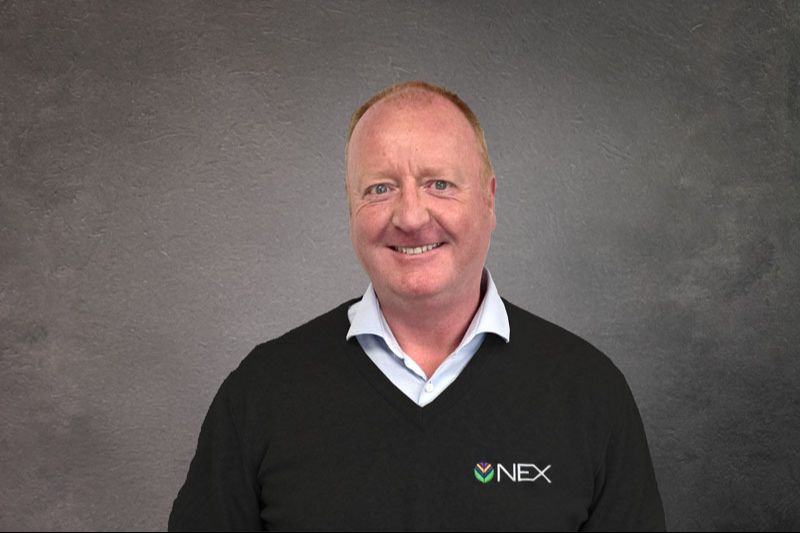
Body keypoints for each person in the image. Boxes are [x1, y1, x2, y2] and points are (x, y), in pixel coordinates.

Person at [169, 80, 666, 531]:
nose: (410, 216)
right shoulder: (262, 393)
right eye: (380, 189)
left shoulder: (589, 393)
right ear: (350, 209)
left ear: (489, 200)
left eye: (439, 184)